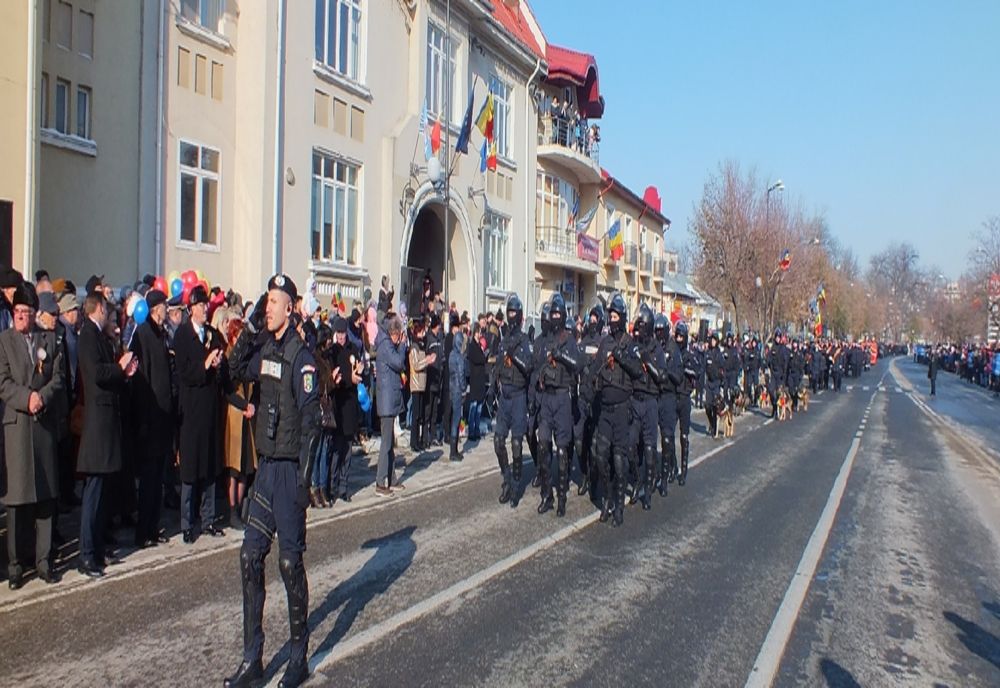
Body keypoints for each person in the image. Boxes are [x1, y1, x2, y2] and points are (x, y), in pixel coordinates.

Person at [224, 274, 319, 688]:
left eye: (276, 302)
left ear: (291, 308)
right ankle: (253, 660)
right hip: (264, 471)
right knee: (249, 558)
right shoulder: (263, 346)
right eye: (268, 302)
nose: (269, 308)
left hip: (288, 472)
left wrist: (304, 481)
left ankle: (298, 657)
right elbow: (231, 371)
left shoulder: (302, 358)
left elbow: (314, 423)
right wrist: (248, 328)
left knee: (288, 563)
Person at [174, 285, 251, 543]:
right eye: (199, 306)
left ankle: (207, 519)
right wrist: (204, 365)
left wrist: (217, 367)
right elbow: (184, 373)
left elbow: (223, 375)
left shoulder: (212, 335)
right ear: (190, 309)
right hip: (191, 409)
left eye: (206, 305)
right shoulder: (183, 336)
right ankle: (187, 522)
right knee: (190, 469)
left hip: (210, 409)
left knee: (208, 465)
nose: (204, 309)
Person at [0, 283, 65, 588]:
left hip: (42, 426)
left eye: (28, 312)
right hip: (17, 427)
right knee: (18, 500)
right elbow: (3, 383)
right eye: (19, 313)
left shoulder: (47, 339)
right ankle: (15, 564)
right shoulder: (4, 342)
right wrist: (27, 398)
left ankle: (43, 560)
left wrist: (42, 397)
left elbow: (58, 377)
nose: (24, 318)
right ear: (13, 314)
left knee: (45, 497)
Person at [75, 292, 138, 578]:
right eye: (107, 310)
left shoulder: (99, 335)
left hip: (107, 424)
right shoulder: (88, 334)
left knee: (102, 496)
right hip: (97, 426)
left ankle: (97, 550)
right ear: (99, 308)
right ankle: (87, 555)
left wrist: (123, 373)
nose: (110, 316)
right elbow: (96, 372)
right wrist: (119, 367)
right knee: (94, 494)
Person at [128, 288, 175, 548]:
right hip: (149, 419)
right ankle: (142, 531)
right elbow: (141, 379)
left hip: (162, 420)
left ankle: (153, 527)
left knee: (157, 480)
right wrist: (143, 420)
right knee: (147, 482)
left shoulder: (160, 334)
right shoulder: (143, 334)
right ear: (155, 308)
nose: (166, 311)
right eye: (164, 307)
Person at [593, 293, 639, 526]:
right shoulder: (604, 342)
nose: (611, 320)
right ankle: (607, 498)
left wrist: (621, 357)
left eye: (615, 316)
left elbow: (638, 371)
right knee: (601, 455)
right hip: (605, 409)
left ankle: (619, 506)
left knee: (619, 460)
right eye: (609, 316)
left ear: (621, 318)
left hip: (622, 409)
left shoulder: (629, 344)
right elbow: (595, 368)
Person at [535, 293, 579, 517]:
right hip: (547, 398)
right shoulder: (545, 341)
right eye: (552, 313)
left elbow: (577, 365)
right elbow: (537, 366)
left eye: (557, 313)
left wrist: (561, 356)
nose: (554, 317)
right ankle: (547, 495)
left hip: (562, 398)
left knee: (562, 451)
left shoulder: (568, 340)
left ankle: (561, 497)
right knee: (543, 446)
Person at [493, 294, 533, 504]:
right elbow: (499, 364)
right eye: (509, 312)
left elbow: (528, 367)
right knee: (498, 441)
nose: (511, 316)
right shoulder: (504, 338)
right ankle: (507, 478)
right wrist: (492, 387)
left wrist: (515, 356)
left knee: (517, 443)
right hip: (505, 396)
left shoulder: (525, 340)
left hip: (518, 396)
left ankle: (517, 482)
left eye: (513, 312)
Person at [328, 317, 362, 502]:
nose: (341, 338)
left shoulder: (353, 350)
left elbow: (357, 370)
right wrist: (350, 378)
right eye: (338, 334)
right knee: (336, 449)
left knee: (347, 449)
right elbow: (335, 377)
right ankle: (332, 487)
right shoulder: (332, 352)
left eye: (343, 334)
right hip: (337, 404)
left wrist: (359, 371)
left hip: (350, 404)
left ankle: (343, 487)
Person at [374, 315, 408, 496]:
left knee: (391, 443)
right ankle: (380, 482)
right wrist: (402, 346)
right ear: (394, 333)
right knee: (386, 443)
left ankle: (391, 478)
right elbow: (399, 363)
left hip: (390, 400)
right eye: (399, 336)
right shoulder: (387, 346)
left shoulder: (387, 344)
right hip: (386, 401)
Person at [447, 329, 467, 461]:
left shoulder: (451, 355)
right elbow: (461, 375)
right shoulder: (459, 357)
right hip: (458, 389)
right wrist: (464, 388)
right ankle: (453, 451)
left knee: (454, 416)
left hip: (451, 387)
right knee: (456, 419)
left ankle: (453, 450)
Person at [466, 324, 488, 442]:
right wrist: (484, 357)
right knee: (473, 406)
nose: (480, 335)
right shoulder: (472, 346)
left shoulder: (479, 346)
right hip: (475, 379)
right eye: (479, 332)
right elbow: (477, 359)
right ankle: (471, 431)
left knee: (479, 406)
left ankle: (477, 429)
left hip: (480, 380)